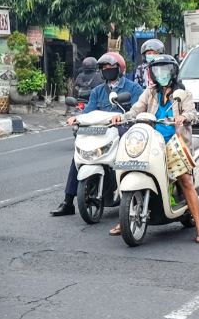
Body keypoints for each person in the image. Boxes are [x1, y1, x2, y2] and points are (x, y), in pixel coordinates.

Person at [111, 54, 199, 243]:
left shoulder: (183, 94)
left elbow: (192, 113)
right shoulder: (149, 92)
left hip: (174, 143)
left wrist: (183, 117)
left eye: (165, 70)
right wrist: (121, 117)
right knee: (129, 167)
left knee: (186, 180)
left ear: (173, 72)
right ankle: (124, 219)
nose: (161, 74)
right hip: (151, 142)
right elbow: (136, 109)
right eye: (157, 70)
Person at [50, 53, 143, 216]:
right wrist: (76, 118)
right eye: (104, 69)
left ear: (119, 69)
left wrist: (123, 118)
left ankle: (130, 196)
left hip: (123, 129)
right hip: (101, 129)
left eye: (111, 68)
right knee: (80, 155)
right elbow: (88, 111)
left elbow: (138, 110)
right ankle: (68, 201)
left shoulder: (133, 88)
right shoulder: (98, 91)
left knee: (125, 157)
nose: (107, 71)